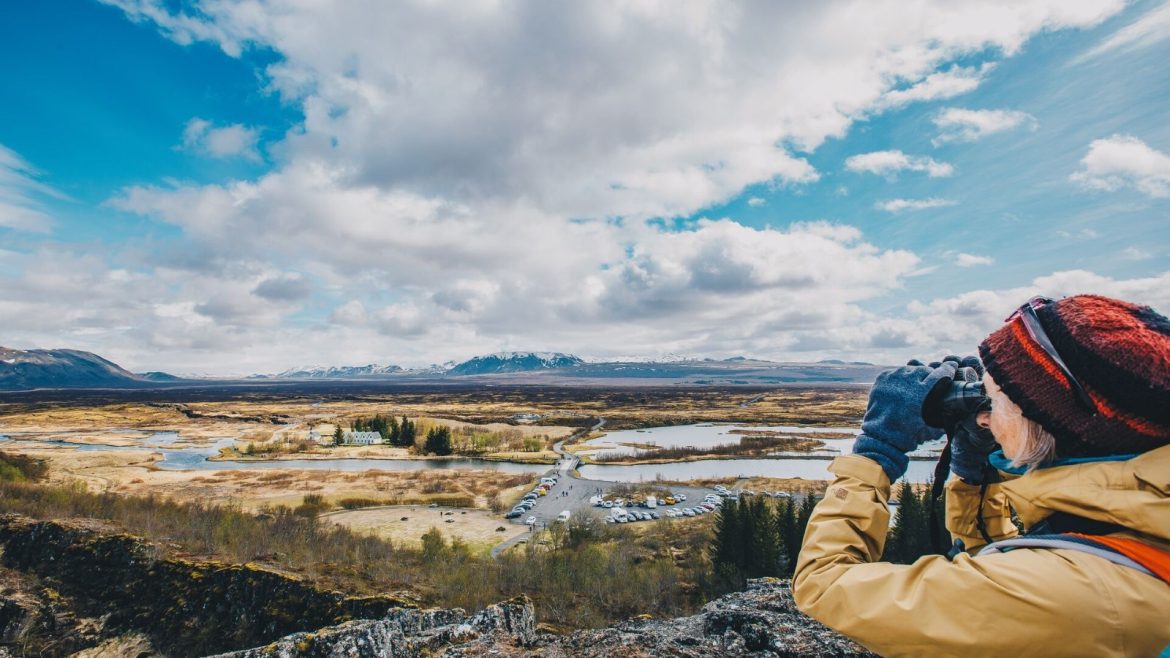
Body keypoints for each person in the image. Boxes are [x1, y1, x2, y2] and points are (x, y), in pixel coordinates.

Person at [793, 295, 1170, 657]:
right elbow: (1010, 577)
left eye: (996, 400)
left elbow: (823, 585)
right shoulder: (1138, 533)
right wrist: (976, 473)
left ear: (1050, 424)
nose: (985, 417)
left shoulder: (1079, 599)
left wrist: (877, 450)